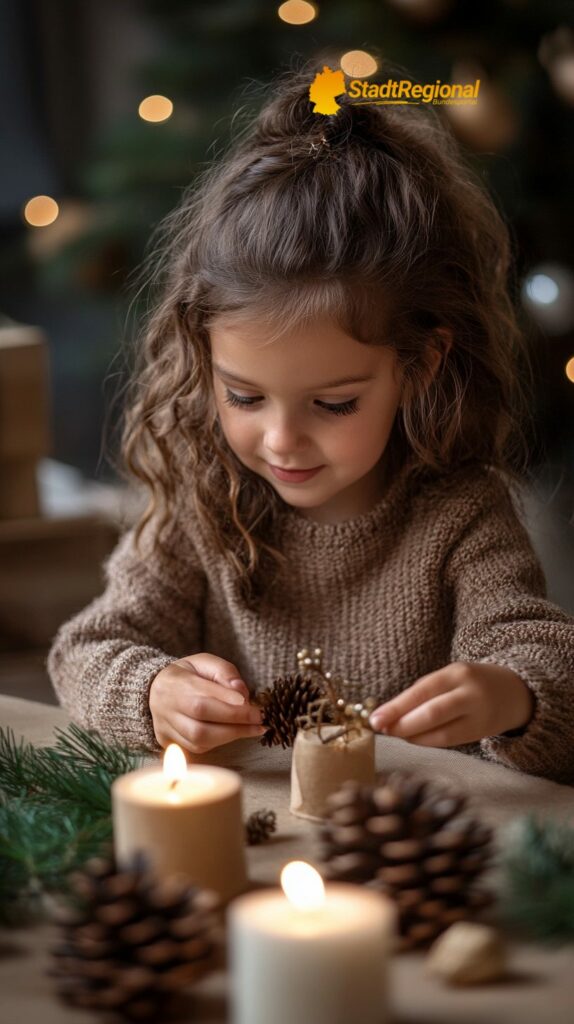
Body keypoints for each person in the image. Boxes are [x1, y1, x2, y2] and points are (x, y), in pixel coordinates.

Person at [48, 59, 574, 784]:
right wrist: (152, 691)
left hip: (416, 852)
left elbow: (546, 658)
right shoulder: (205, 504)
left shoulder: (460, 515)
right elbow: (87, 650)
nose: (281, 440)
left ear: (420, 366)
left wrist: (512, 695)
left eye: (333, 404)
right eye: (244, 396)